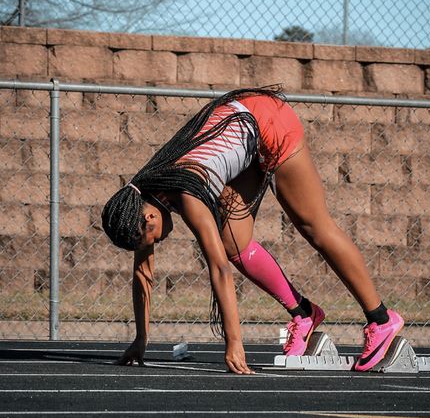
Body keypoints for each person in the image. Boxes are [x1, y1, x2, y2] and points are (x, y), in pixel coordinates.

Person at [102, 87, 405, 375]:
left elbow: (219, 269)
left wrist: (234, 343)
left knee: (314, 227)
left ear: (150, 217)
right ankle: (304, 313)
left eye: (152, 238)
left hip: (269, 123)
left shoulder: (185, 193)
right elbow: (143, 274)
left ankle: (381, 320)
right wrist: (141, 339)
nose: (156, 243)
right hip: (246, 132)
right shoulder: (140, 198)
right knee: (234, 242)